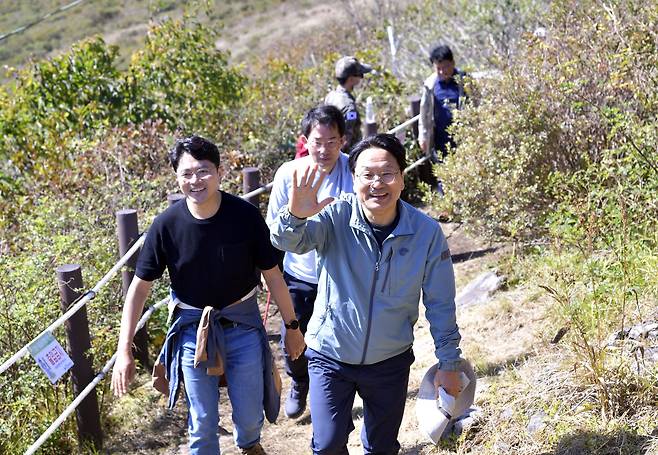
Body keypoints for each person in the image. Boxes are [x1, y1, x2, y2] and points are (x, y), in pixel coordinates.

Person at [270, 133, 465, 454]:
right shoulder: (336, 215)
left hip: (390, 361)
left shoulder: (426, 233)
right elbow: (288, 242)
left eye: (387, 173)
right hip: (329, 355)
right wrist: (296, 215)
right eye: (367, 175)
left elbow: (441, 303)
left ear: (403, 179)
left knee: (381, 447)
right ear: (353, 179)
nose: (377, 183)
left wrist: (450, 362)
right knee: (328, 445)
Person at [111, 135, 305, 455]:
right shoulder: (166, 226)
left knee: (249, 415)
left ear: (219, 172)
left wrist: (292, 328)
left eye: (203, 171)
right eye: (186, 173)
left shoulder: (243, 216)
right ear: (176, 176)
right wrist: (124, 350)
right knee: (201, 422)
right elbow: (139, 289)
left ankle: (249, 444)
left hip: (242, 323)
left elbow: (273, 276)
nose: (195, 180)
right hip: (191, 329)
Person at [266, 104, 354, 419]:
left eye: (332, 141)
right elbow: (273, 228)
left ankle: (331, 396)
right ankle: (299, 382)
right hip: (300, 274)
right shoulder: (288, 174)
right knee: (295, 336)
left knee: (339, 341)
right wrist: (269, 271)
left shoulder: (354, 170)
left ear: (343, 140)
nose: (324, 149)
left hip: (343, 275)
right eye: (317, 141)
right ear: (305, 139)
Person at [418, 45, 468, 162]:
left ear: (453, 63)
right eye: (438, 68)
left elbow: (478, 104)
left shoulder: (464, 81)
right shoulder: (430, 85)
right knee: (443, 173)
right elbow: (424, 113)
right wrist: (423, 136)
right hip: (440, 140)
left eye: (445, 67)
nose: (442, 71)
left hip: (464, 138)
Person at [324, 55, 372, 153]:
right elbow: (346, 139)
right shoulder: (349, 107)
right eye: (360, 75)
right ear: (351, 79)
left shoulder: (331, 96)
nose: (361, 78)